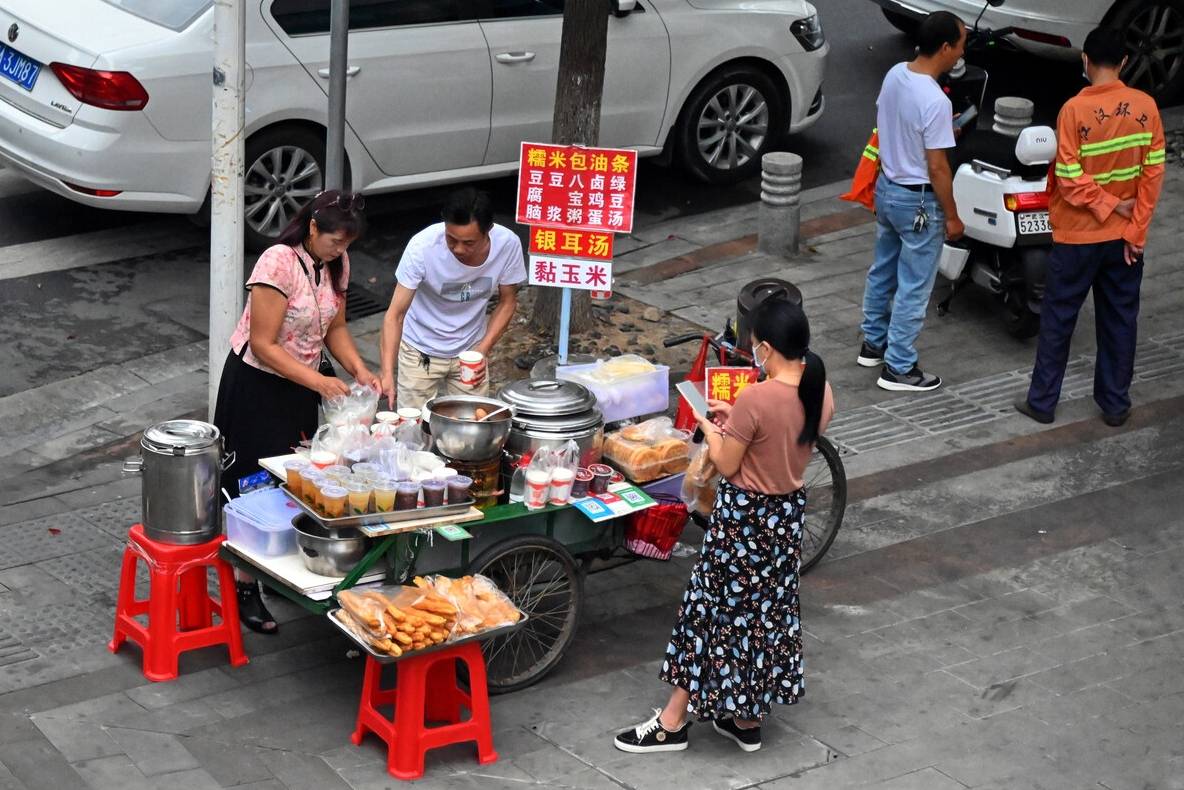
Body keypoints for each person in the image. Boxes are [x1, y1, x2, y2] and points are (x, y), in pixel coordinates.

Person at [614, 298, 835, 754]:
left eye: (756, 346)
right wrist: (737, 421)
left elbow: (729, 463)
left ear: (768, 348)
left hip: (744, 522)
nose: (753, 353)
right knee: (763, 618)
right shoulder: (821, 390)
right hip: (784, 520)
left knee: (709, 613)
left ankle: (672, 722)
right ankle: (747, 719)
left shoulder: (758, 396)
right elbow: (777, 439)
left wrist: (713, 428)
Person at [214, 189, 378, 633]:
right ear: (311, 227)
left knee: (292, 483)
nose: (340, 250)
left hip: (300, 390)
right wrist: (321, 382)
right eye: (334, 241)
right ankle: (244, 586)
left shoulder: (336, 265)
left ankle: (279, 572)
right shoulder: (277, 262)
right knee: (249, 487)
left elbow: (334, 326)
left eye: (347, 244)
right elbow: (265, 346)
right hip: (257, 388)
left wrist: (360, 369)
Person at [1015, 27, 1165, 428]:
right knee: (1120, 321)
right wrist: (1135, 228)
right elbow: (1152, 178)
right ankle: (1115, 405)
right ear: (1125, 62)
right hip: (1124, 241)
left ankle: (1042, 403)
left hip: (1076, 238)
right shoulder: (1147, 108)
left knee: (1058, 319)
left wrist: (1108, 205)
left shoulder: (1074, 111)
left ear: (1085, 60)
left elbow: (1067, 176)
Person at [857, 11, 966, 392]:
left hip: (886, 189)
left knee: (883, 268)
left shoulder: (895, 74)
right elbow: (938, 168)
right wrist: (952, 217)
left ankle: (873, 343)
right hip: (918, 201)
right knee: (915, 285)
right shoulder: (935, 101)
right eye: (961, 44)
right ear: (946, 47)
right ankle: (899, 367)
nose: (961, 53)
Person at [379, 187, 526, 410]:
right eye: (451, 238)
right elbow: (395, 315)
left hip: (470, 351)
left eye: (469, 243)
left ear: (488, 231)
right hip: (419, 350)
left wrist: (482, 350)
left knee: (471, 423)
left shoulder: (507, 245)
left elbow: (507, 302)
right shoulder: (422, 247)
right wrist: (387, 373)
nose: (458, 248)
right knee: (414, 428)